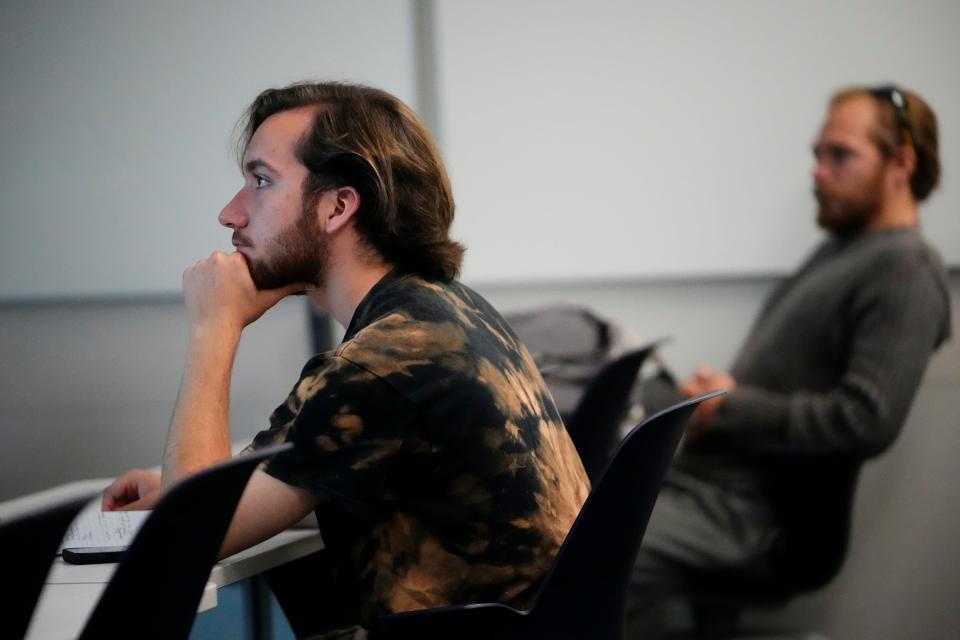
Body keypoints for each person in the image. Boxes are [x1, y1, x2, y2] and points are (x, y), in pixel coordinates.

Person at [102, 81, 590, 636]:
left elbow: (188, 540)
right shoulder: (442, 312)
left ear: (337, 206)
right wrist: (180, 488)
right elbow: (268, 474)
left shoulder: (386, 360)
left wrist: (214, 328)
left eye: (261, 181)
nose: (230, 213)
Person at [627, 85, 952, 629]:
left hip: (759, 518)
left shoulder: (906, 269)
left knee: (583, 559)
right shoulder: (840, 251)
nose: (818, 171)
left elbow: (865, 421)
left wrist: (726, 408)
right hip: (715, 490)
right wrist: (710, 402)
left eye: (840, 155)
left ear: (902, 162)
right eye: (817, 154)